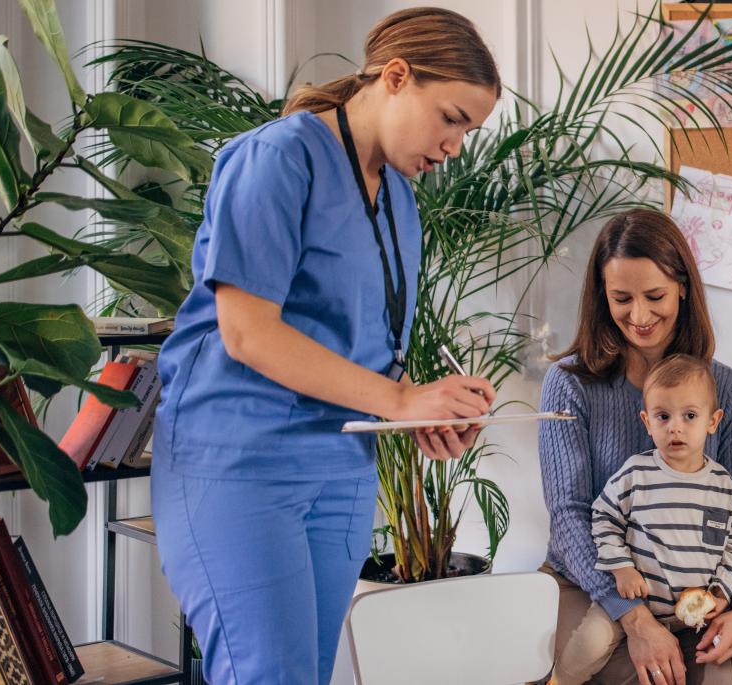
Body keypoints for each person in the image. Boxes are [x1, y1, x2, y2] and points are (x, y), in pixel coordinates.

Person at [150, 8, 500, 683]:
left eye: (469, 130)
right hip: (240, 462)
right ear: (396, 77)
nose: (456, 145)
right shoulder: (279, 157)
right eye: (452, 117)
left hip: (340, 466)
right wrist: (399, 398)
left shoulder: (401, 199)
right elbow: (247, 331)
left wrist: (423, 412)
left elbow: (359, 349)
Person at [539, 209, 732, 685]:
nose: (640, 316)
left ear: (684, 288)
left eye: (655, 296)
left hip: (695, 591)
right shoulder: (569, 384)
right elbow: (569, 513)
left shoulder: (727, 390)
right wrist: (633, 616)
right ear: (600, 297)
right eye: (621, 298)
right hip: (589, 581)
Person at [555, 354, 732, 684]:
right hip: (634, 602)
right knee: (589, 642)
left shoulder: (722, 486)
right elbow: (603, 517)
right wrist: (622, 567)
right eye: (663, 416)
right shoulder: (636, 473)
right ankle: (556, 680)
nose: (675, 426)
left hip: (693, 616)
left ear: (713, 421)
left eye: (690, 415)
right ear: (647, 422)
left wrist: (721, 591)